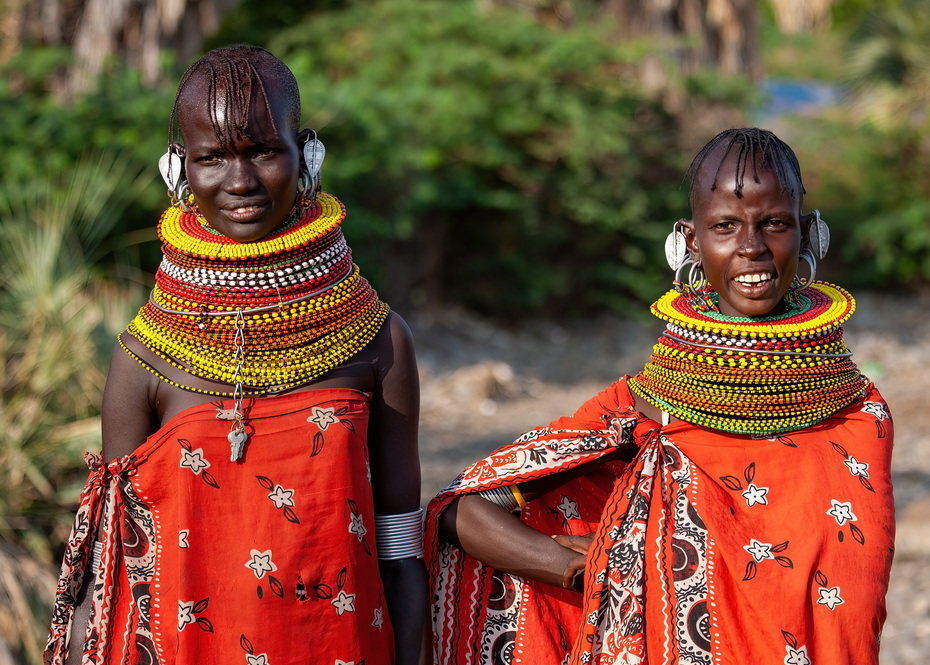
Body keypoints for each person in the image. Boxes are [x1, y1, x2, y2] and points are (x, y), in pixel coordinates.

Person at [427, 128, 894, 665]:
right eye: (725, 225)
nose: (751, 247)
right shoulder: (649, 405)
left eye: (775, 224)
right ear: (691, 240)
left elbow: (851, 610)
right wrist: (596, 569)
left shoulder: (858, 414)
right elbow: (463, 511)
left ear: (810, 233)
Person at [44, 45, 427, 665]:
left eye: (263, 150)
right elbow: (119, 570)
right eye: (212, 158)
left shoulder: (377, 340)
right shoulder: (145, 356)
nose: (241, 182)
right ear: (178, 170)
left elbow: (401, 550)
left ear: (306, 152)